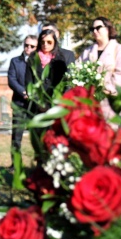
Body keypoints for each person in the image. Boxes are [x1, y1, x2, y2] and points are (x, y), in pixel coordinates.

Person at [25, 29, 71, 160]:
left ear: (54, 43)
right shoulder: (33, 58)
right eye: (43, 42)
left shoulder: (60, 60)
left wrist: (53, 104)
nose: (45, 45)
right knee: (39, 141)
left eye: (49, 42)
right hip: (37, 108)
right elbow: (29, 83)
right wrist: (39, 103)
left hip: (54, 107)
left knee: (54, 141)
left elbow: (62, 84)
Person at [78, 16, 121, 119]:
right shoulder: (87, 51)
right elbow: (78, 69)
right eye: (92, 29)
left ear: (107, 29)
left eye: (98, 27)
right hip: (89, 102)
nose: (94, 31)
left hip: (110, 101)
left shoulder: (119, 49)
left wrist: (105, 90)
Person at [7, 35, 37, 167]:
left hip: (35, 105)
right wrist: (23, 92)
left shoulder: (41, 62)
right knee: (16, 138)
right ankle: (16, 165)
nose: (28, 48)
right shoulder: (15, 61)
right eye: (26, 45)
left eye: (32, 46)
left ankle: (38, 165)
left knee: (36, 138)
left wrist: (34, 94)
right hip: (19, 103)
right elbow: (11, 79)